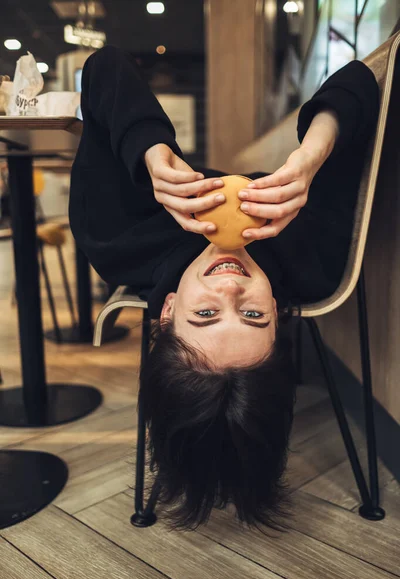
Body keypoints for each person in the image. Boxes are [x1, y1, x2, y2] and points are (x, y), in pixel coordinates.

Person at [69, 46, 379, 532]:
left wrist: (150, 152)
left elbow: (102, 67)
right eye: (253, 316)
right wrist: (310, 158)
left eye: (206, 316)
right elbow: (360, 79)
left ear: (167, 310)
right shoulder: (310, 259)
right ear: (278, 314)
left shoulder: (116, 239)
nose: (231, 288)